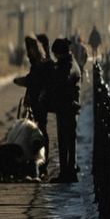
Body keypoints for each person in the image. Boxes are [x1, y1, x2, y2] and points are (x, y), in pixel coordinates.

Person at [42, 38, 81, 183]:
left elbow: (61, 80)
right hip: (68, 107)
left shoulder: (68, 65)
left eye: (55, 54)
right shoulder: (70, 63)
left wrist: (51, 71)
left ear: (59, 53)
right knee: (69, 141)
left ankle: (66, 173)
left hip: (67, 108)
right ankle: (69, 171)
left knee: (65, 141)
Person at [13, 36, 51, 157]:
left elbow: (39, 81)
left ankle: (42, 160)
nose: (30, 52)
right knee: (33, 131)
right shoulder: (35, 64)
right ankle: (33, 158)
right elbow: (32, 80)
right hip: (33, 100)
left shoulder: (43, 64)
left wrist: (25, 81)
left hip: (40, 102)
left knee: (40, 131)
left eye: (31, 49)